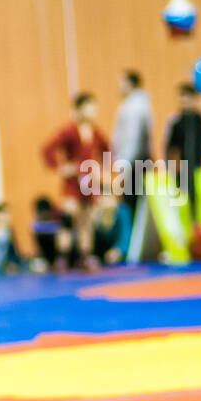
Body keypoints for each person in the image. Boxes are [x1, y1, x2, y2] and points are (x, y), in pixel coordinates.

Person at [43, 92, 109, 271]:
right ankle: (62, 257)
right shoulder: (69, 130)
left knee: (86, 220)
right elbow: (48, 147)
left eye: (94, 107)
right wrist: (60, 166)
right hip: (73, 182)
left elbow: (108, 148)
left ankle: (85, 256)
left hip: (88, 182)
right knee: (67, 216)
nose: (93, 111)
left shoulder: (95, 131)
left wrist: (102, 168)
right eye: (89, 107)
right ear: (79, 110)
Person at [164, 83, 201, 218]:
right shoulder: (177, 123)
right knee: (184, 203)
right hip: (184, 170)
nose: (184, 101)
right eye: (182, 97)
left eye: (187, 97)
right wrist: (171, 169)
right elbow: (170, 148)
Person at [111, 70, 153, 217]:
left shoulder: (133, 107)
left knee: (132, 205)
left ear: (130, 84)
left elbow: (131, 138)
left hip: (134, 162)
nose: (119, 87)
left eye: (122, 83)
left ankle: (131, 239)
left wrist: (124, 164)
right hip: (138, 161)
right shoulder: (141, 104)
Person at [30, 196, 73, 273]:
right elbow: (36, 247)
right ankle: (47, 262)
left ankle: (62, 260)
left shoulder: (58, 220)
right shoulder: (36, 225)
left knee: (64, 235)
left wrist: (61, 257)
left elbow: (64, 239)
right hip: (46, 257)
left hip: (59, 254)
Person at [92, 191, 132, 266]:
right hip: (102, 261)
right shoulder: (96, 214)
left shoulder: (123, 212)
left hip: (123, 261)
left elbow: (126, 236)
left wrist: (118, 250)